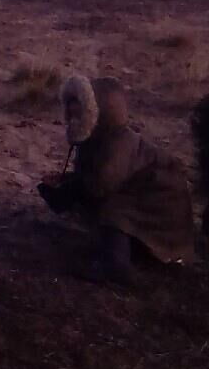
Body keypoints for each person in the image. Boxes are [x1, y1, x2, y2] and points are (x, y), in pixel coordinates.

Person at [38, 75, 196, 285]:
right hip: (146, 199)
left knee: (113, 209)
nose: (71, 111)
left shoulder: (118, 144)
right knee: (108, 202)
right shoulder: (95, 139)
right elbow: (94, 177)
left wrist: (66, 190)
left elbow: (99, 186)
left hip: (163, 212)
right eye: (70, 104)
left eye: (78, 106)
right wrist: (64, 181)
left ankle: (115, 267)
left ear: (97, 111)